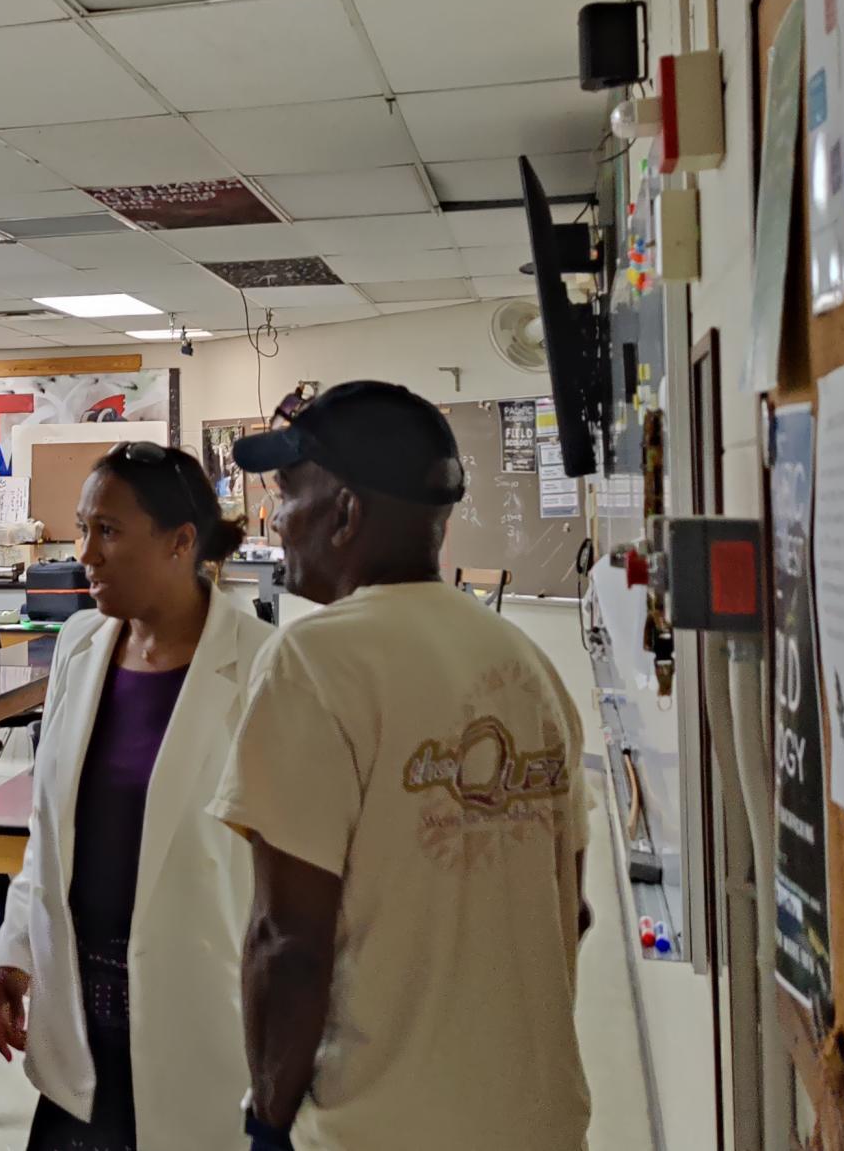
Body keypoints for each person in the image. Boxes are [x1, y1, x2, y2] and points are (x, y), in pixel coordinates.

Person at [214, 382, 592, 1151]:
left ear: (346, 512)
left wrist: (269, 1121)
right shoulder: (529, 668)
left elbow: (288, 941)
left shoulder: (315, 661)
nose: (275, 520)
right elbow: (569, 910)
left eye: (288, 495)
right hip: (540, 1125)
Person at [0, 442, 280, 1150]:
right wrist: (15, 950)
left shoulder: (264, 665)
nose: (85, 553)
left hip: (199, 1016)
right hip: (76, 1016)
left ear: (182, 542)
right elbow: (48, 824)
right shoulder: (81, 644)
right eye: (82, 529)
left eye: (109, 531)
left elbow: (289, 873)